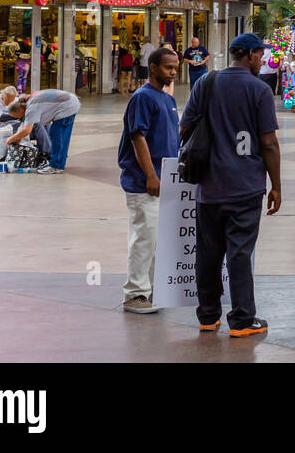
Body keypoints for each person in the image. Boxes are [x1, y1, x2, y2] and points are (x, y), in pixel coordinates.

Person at [179, 32, 281, 337]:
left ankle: (208, 316)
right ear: (249, 55)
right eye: (260, 55)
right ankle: (242, 320)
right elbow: (268, 142)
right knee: (239, 253)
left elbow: (184, 128)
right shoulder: (259, 90)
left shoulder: (206, 83)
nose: (262, 61)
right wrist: (276, 185)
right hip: (245, 186)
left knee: (208, 253)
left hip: (209, 187)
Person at [118, 46, 180, 314]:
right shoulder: (143, 97)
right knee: (144, 237)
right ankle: (135, 294)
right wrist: (151, 176)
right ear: (153, 68)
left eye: (176, 68)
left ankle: (152, 289)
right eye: (168, 68)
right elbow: (137, 137)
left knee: (156, 238)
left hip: (164, 180)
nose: (173, 72)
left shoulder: (167, 98)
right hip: (144, 182)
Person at [3, 88, 82, 173]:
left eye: (18, 116)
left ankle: (56, 166)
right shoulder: (28, 101)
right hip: (70, 102)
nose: (19, 118)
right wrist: (18, 139)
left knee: (57, 135)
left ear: (21, 110)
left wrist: (10, 139)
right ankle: (60, 159)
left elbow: (26, 130)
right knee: (62, 136)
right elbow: (24, 125)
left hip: (67, 106)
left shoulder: (31, 108)